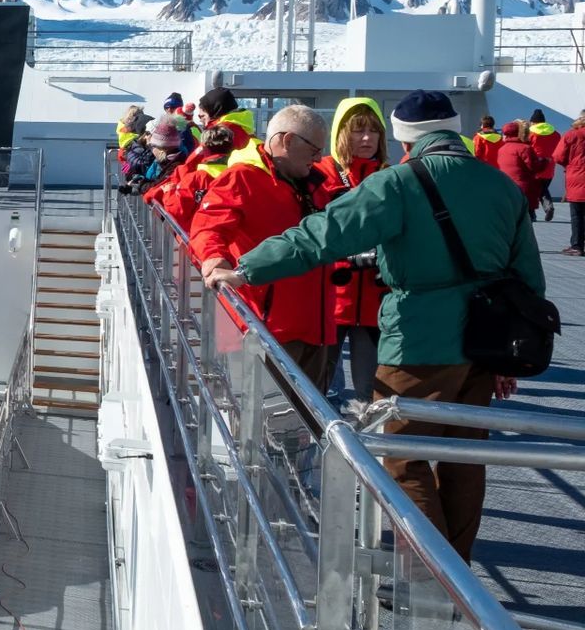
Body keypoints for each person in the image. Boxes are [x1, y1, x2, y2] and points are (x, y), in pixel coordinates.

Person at [208, 90, 544, 562]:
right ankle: (458, 565)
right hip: (486, 343)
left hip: (420, 338)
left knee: (400, 455)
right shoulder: (500, 186)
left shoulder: (399, 183)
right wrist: (508, 355)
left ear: (404, 137)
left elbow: (320, 235)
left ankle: (432, 578)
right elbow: (528, 277)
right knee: (464, 458)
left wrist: (246, 269)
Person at [191, 105, 337, 387]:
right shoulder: (243, 179)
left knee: (310, 422)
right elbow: (208, 226)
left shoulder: (316, 185)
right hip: (270, 330)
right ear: (287, 141)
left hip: (317, 329)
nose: (319, 158)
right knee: (262, 421)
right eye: (313, 149)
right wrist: (213, 258)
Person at [314, 97, 390, 406]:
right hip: (330, 300)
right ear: (341, 134)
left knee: (372, 394)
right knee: (317, 387)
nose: (367, 138)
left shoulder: (390, 177)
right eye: (358, 130)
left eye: (374, 131)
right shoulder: (319, 175)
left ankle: (368, 448)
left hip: (375, 300)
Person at [150, 122, 237, 228]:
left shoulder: (195, 178)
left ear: (204, 149)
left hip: (197, 234)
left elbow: (177, 211)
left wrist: (169, 192)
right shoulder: (238, 175)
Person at [494, 121, 548, 217]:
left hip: (507, 189)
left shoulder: (502, 149)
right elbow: (534, 167)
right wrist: (544, 161)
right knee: (526, 222)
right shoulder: (525, 148)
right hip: (524, 190)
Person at [555, 111, 585, 255]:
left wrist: (570, 165)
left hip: (577, 176)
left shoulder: (571, 134)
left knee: (577, 215)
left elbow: (558, 156)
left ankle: (577, 246)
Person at [528, 109, 560, 221]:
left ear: (534, 122)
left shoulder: (530, 134)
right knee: (542, 188)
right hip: (550, 166)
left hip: (535, 166)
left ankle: (533, 213)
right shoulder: (556, 134)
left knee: (533, 191)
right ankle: (547, 207)